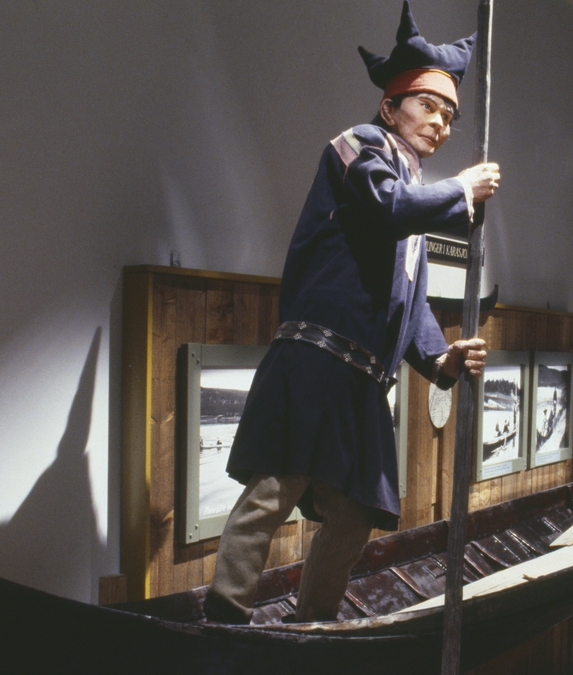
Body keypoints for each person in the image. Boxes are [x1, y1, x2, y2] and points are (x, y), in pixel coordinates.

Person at [202, 2, 500, 625]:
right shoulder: (360, 147)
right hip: (314, 359)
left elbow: (409, 302)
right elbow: (384, 205)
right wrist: (459, 191)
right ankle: (224, 618)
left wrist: (441, 359)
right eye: (428, 107)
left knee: (354, 513)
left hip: (362, 382)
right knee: (273, 489)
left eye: (449, 115)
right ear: (391, 108)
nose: (440, 124)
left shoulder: (413, 202)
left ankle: (312, 622)